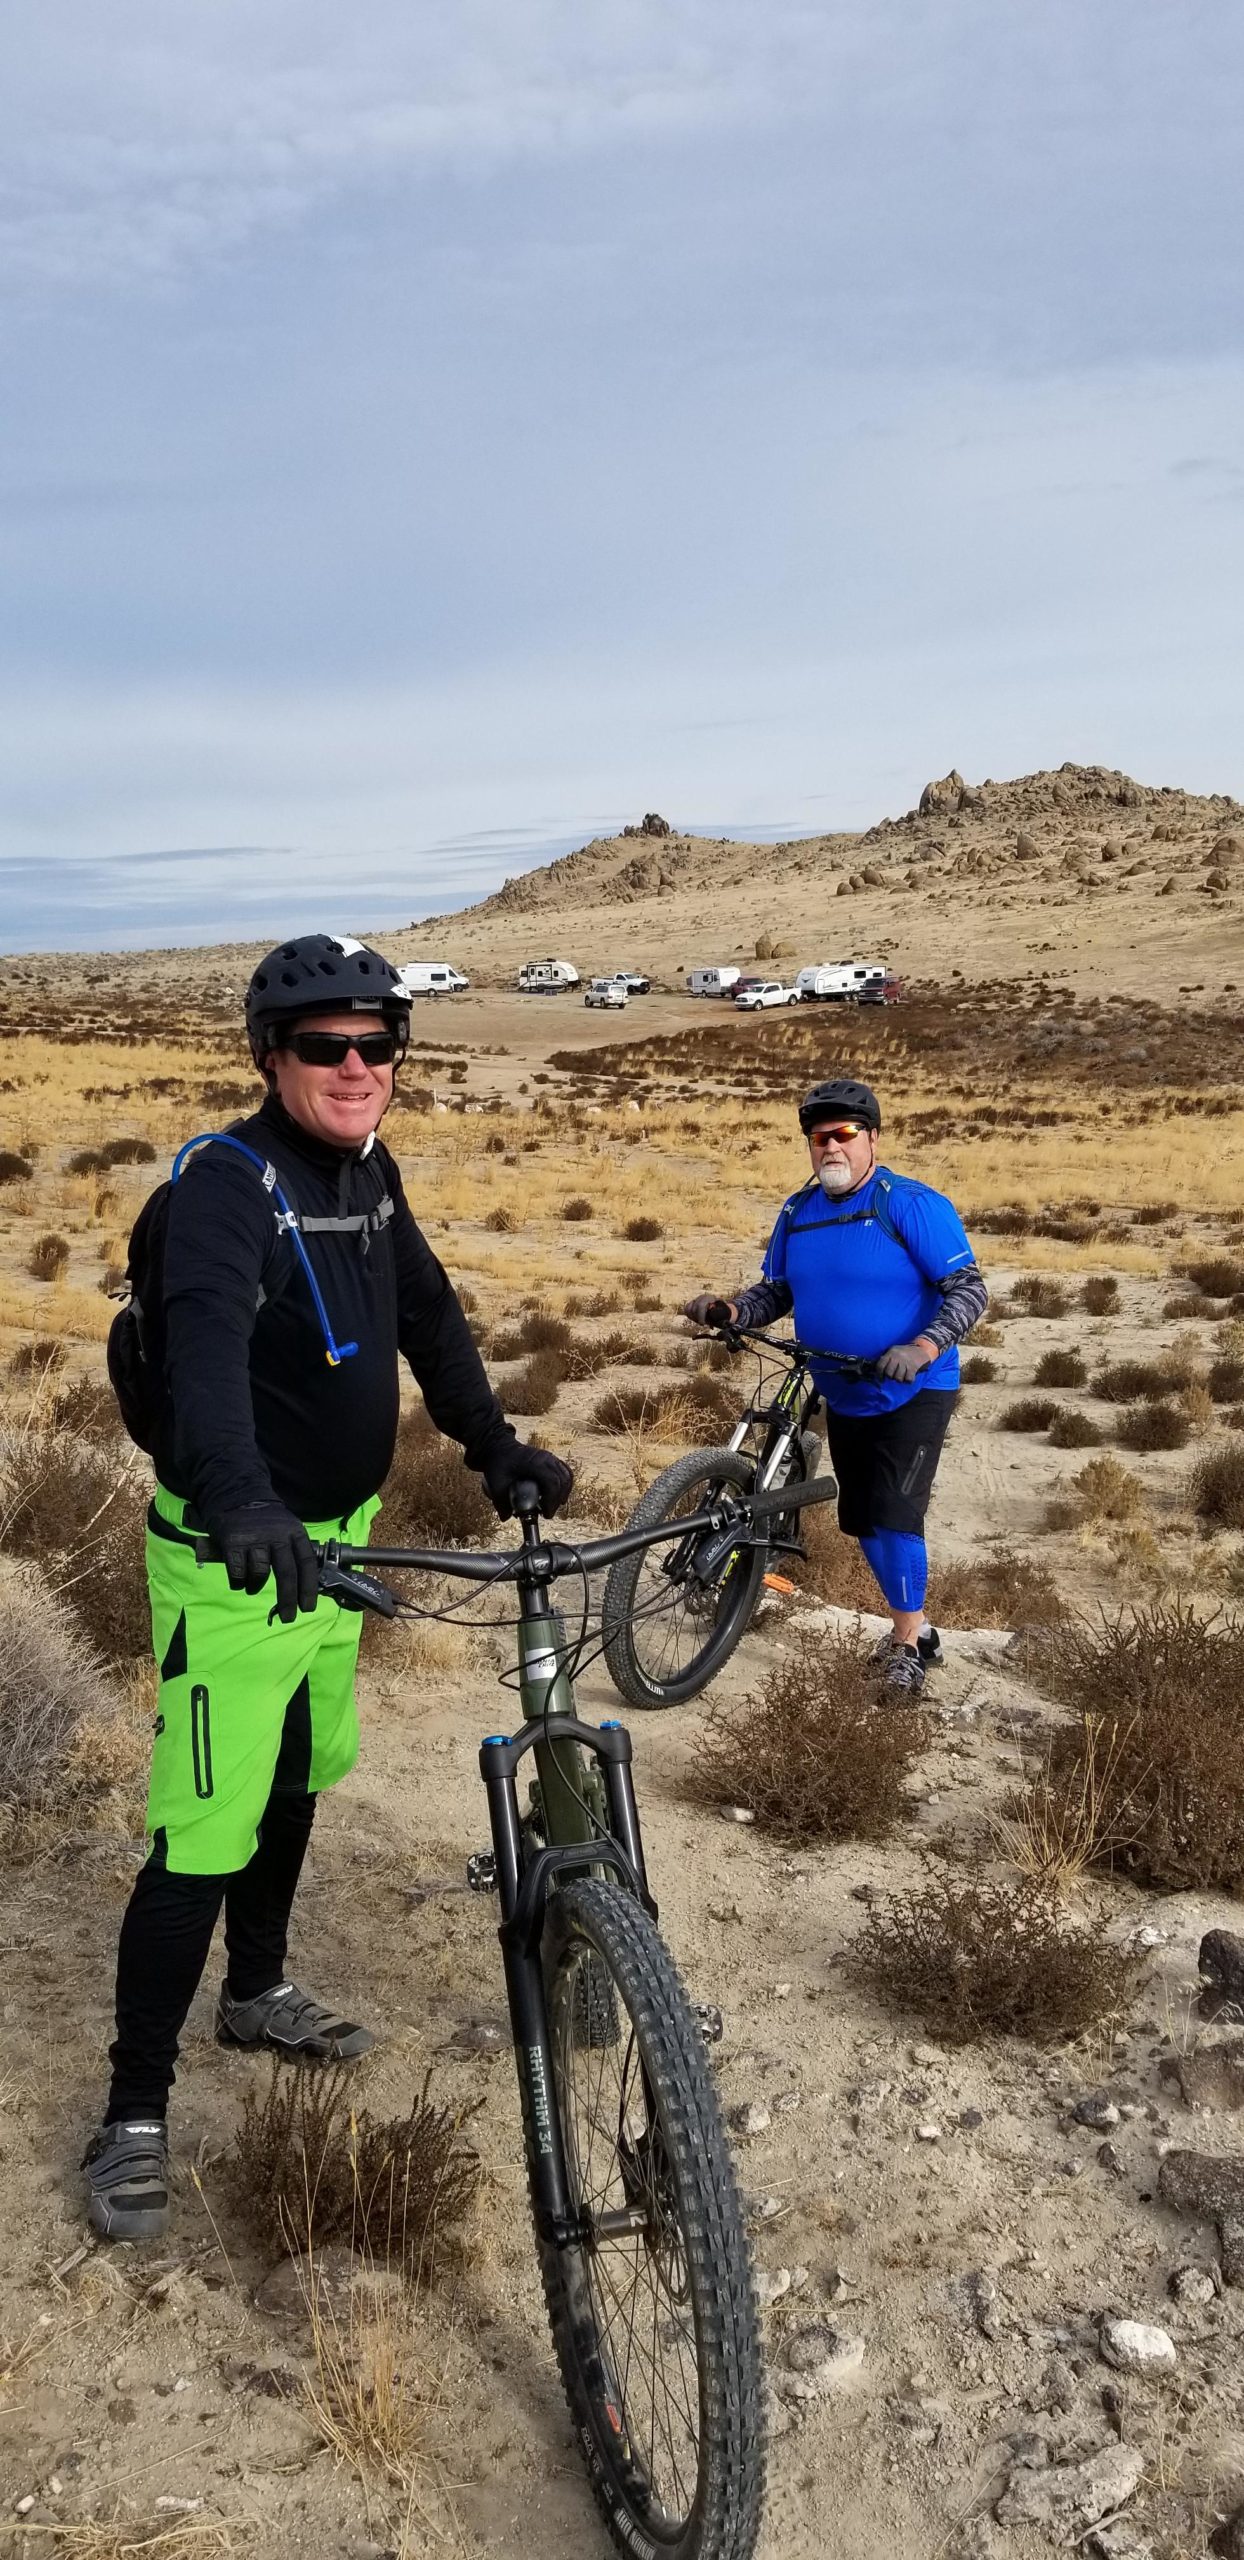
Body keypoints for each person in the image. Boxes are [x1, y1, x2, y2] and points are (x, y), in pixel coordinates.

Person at [84, 933, 572, 2243]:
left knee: (300, 1772)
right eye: (324, 1046)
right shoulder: (223, 1187)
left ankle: (260, 1988)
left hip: (337, 1545)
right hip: (236, 1559)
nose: (357, 1067)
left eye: (378, 1044)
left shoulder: (368, 1171)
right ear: (269, 1056)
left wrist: (494, 1447)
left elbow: (429, 1316)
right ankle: (132, 2110)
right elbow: (198, 1357)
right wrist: (241, 1499)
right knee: (200, 1833)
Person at [684, 1076, 985, 1695]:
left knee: (894, 1515)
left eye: (845, 1134)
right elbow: (780, 1290)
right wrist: (734, 1312)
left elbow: (969, 1289)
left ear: (871, 1137)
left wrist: (923, 1346)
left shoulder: (911, 1204)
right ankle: (918, 1627)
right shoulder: (797, 1213)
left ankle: (906, 1648)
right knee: (864, 1519)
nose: (831, 1148)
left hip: (914, 1388)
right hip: (843, 1386)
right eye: (819, 1137)